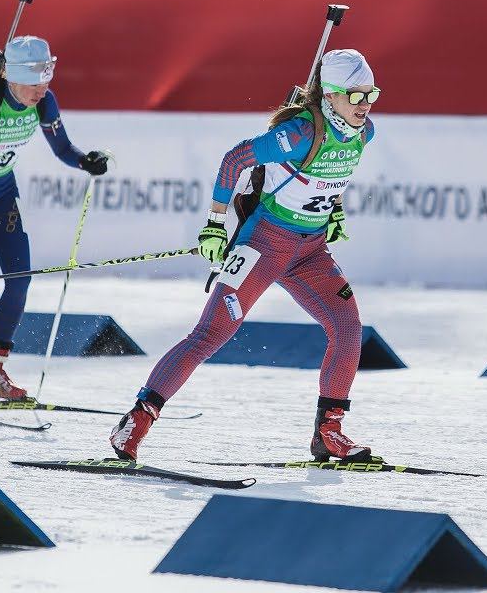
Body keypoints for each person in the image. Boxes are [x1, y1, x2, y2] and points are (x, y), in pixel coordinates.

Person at [109, 49, 380, 463]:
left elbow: (336, 171)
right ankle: (138, 417)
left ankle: (329, 432)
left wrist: (335, 209)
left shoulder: (364, 132)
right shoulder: (299, 134)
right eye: (356, 96)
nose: (366, 105)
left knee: (348, 328)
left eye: (371, 94)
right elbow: (235, 159)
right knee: (211, 334)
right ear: (330, 95)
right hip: (264, 244)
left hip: (310, 250)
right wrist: (216, 223)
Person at [0, 35, 111, 409]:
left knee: (18, 279)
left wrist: (85, 161)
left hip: (0, 195)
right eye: (34, 79)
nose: (42, 88)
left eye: (47, 76)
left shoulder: (44, 101)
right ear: (12, 77)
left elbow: (62, 148)